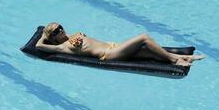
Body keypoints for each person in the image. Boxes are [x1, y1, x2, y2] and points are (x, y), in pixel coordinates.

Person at [36, 24, 205, 67]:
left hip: (114, 46)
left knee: (149, 51)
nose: (61, 29)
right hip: (108, 55)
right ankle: (176, 62)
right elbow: (38, 46)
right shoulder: (62, 47)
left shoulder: (72, 36)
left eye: (60, 27)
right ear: (53, 37)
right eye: (56, 30)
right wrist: (43, 35)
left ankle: (185, 57)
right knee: (144, 38)